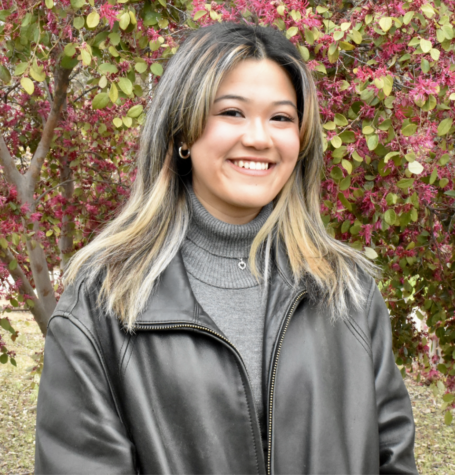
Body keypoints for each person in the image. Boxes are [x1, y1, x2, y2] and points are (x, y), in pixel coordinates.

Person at [35, 22, 417, 474]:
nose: (259, 137)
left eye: (281, 117)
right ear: (182, 132)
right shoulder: (103, 302)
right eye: (232, 112)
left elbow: (393, 458)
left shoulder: (346, 292)